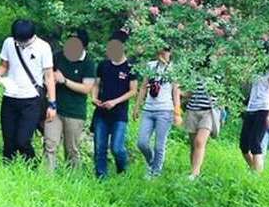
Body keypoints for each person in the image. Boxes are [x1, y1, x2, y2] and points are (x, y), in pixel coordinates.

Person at [0, 19, 56, 162]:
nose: (21, 44)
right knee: (9, 142)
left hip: (31, 100)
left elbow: (49, 77)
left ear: (32, 36)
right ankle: (9, 171)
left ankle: (31, 167)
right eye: (18, 41)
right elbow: (4, 65)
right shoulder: (9, 43)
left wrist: (52, 104)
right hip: (10, 97)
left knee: (23, 140)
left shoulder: (43, 47)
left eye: (24, 41)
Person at [44, 29, 96, 170]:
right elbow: (47, 77)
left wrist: (64, 80)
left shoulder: (89, 63)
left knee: (71, 149)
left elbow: (87, 88)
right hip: (55, 108)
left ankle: (73, 180)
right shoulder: (58, 57)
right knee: (50, 144)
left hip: (75, 112)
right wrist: (50, 81)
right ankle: (46, 178)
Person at [91, 29, 138, 178]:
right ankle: (101, 177)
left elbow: (133, 90)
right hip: (101, 112)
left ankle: (122, 169)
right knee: (100, 147)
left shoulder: (130, 67)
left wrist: (115, 102)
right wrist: (94, 97)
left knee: (117, 148)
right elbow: (96, 84)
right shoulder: (103, 65)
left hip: (119, 114)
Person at [134, 45, 182, 177]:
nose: (163, 53)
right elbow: (143, 87)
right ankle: (151, 162)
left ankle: (155, 173)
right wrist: (137, 106)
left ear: (170, 53)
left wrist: (177, 113)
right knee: (142, 143)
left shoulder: (174, 69)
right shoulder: (150, 66)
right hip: (148, 109)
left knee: (159, 145)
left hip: (165, 110)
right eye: (162, 50)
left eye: (167, 50)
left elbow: (176, 92)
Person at [240, 68, 269, 172]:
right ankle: (254, 169)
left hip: (264, 109)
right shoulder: (254, 68)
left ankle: (257, 175)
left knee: (255, 143)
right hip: (251, 107)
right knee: (243, 145)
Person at [183, 73, 217, 179]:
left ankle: (195, 173)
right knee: (194, 144)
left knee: (199, 141)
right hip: (192, 109)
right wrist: (179, 92)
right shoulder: (194, 70)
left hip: (209, 111)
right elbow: (190, 92)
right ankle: (194, 170)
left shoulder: (219, 69)